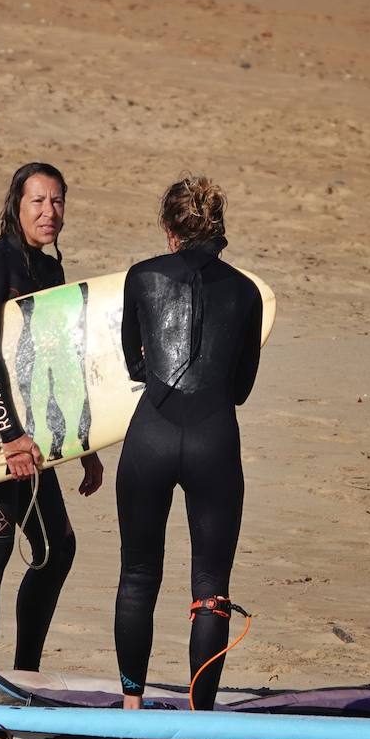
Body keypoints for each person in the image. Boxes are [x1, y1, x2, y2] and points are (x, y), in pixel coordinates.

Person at [113, 175, 263, 710]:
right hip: (213, 439)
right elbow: (241, 388)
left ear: (168, 228)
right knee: (210, 588)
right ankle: (202, 713)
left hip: (150, 434)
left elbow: (134, 362)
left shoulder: (141, 277)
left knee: (137, 573)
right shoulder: (246, 292)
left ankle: (132, 704)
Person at [0, 161, 103, 670]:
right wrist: (10, 436)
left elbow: (56, 364)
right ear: (16, 206)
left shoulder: (51, 271)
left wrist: (84, 442)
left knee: (55, 549)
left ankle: (25, 674)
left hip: (31, 441)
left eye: (58, 200)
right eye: (38, 201)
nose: (50, 211)